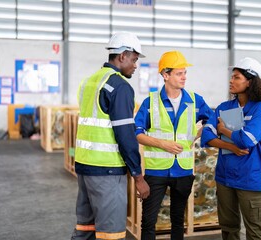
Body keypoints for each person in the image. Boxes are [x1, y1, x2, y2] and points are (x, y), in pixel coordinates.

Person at [71, 31, 150, 240]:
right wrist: (138, 176)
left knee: (85, 230)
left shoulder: (89, 82)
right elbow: (126, 136)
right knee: (111, 234)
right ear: (122, 56)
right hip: (107, 171)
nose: (135, 65)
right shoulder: (120, 86)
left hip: (84, 166)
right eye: (133, 59)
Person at [134, 50, 213, 240]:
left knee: (178, 220)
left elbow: (212, 120)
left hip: (184, 171)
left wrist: (198, 134)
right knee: (149, 221)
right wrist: (163, 144)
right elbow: (137, 133)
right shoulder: (150, 102)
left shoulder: (195, 100)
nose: (184, 77)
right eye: (179, 73)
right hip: (156, 171)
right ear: (165, 75)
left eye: (185, 73)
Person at [201, 57, 261, 240]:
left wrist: (224, 130)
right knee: (228, 228)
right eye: (231, 77)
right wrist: (230, 147)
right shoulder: (224, 107)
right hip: (225, 177)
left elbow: (248, 140)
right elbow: (207, 136)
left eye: (236, 77)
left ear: (250, 82)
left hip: (250, 178)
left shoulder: (260, 109)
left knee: (256, 231)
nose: (231, 81)